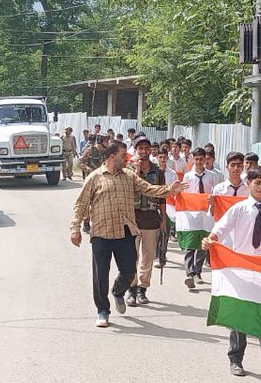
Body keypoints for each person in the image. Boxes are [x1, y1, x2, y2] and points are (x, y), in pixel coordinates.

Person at [70, 141, 182, 328]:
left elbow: (148, 188)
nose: (127, 158)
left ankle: (118, 291)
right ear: (111, 156)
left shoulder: (129, 176)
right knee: (100, 275)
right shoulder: (94, 178)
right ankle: (103, 310)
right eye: (123, 155)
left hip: (125, 232)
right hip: (102, 234)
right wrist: (75, 228)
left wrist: (169, 190)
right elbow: (80, 204)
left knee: (129, 271)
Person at [202, 166, 261, 383]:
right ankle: (235, 359)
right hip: (241, 269)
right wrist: (210, 240)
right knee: (240, 318)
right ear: (248, 184)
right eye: (257, 183)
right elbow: (221, 229)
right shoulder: (239, 209)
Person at [128, 137, 166, 306]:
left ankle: (142, 289)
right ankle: (131, 288)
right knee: (131, 257)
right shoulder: (128, 170)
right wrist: (136, 171)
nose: (144, 151)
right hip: (132, 219)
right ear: (136, 150)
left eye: (146, 148)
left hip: (151, 219)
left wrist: (163, 220)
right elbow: (127, 190)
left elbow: (163, 196)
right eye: (140, 148)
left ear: (151, 150)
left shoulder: (158, 172)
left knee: (148, 256)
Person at [181, 147, 221, 289]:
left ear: (205, 160)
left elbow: (216, 195)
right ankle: (189, 272)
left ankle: (197, 272)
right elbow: (184, 196)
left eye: (201, 159)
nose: (198, 162)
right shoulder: (188, 177)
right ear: (193, 160)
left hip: (206, 215)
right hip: (191, 215)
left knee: (202, 244)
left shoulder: (212, 176)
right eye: (196, 159)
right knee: (190, 243)